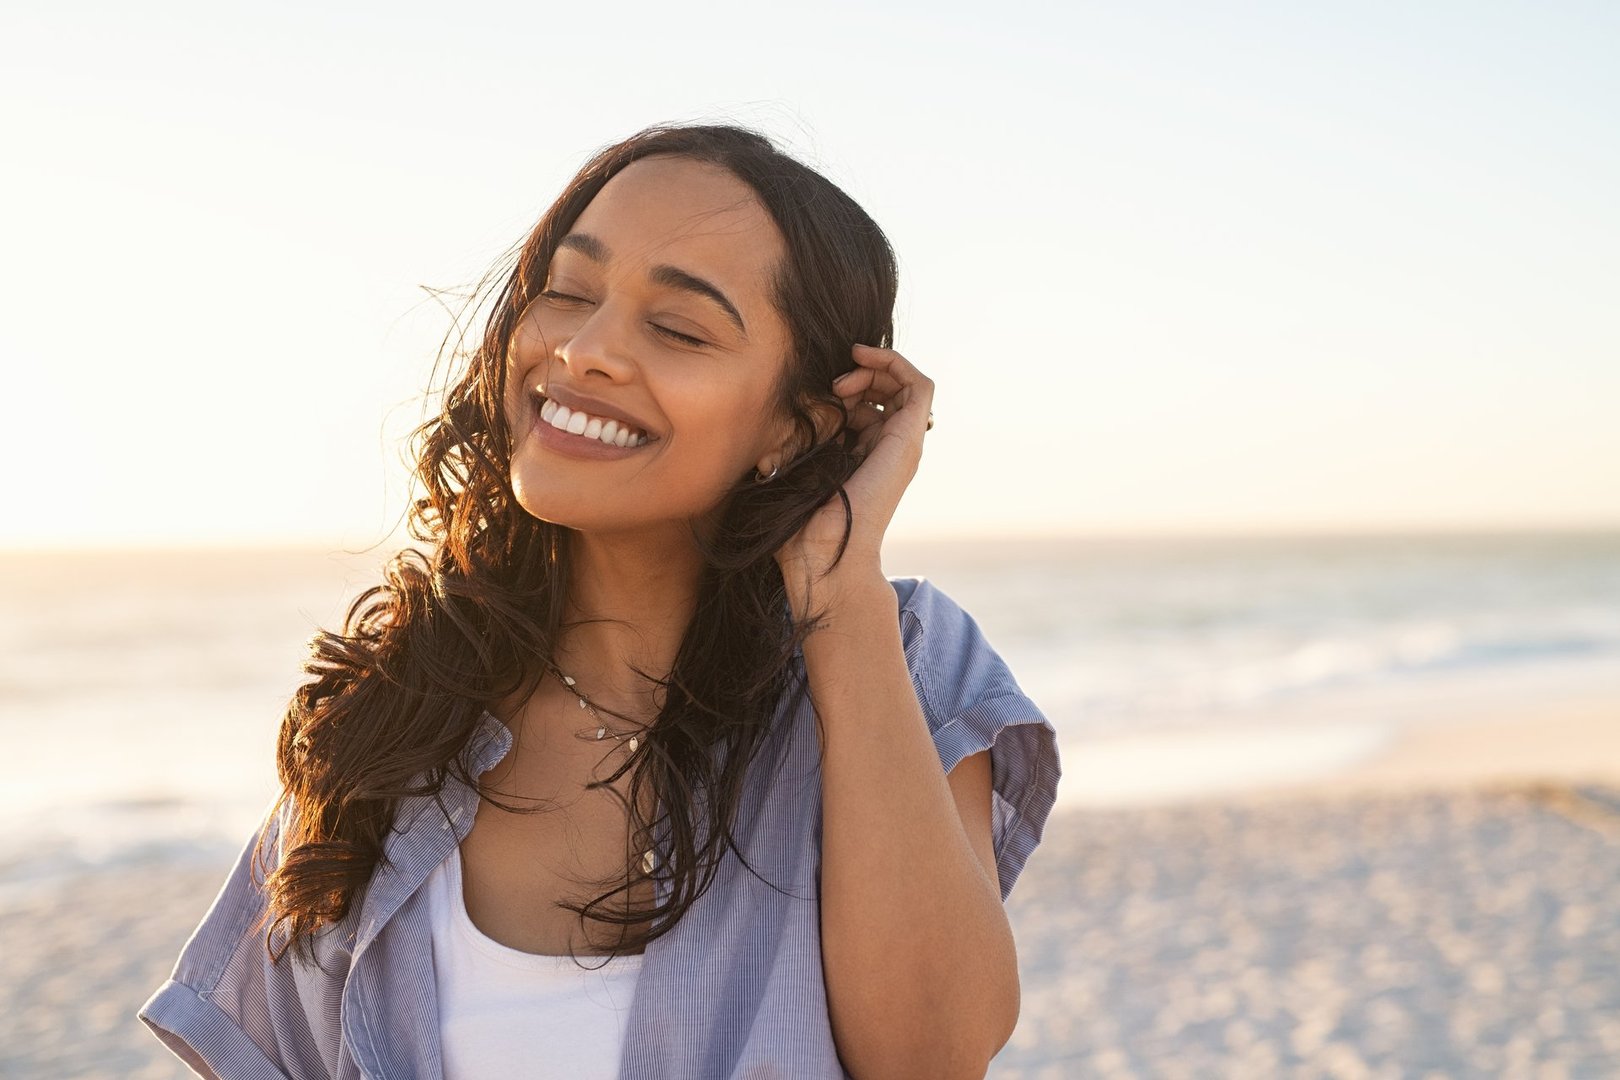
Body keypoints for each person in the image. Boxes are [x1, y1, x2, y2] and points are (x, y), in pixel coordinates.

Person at [137, 120, 1061, 1080]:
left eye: (677, 328)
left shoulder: (901, 657)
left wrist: (839, 592)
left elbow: (935, 1055)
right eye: (569, 294)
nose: (585, 351)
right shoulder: (388, 719)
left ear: (794, 423)